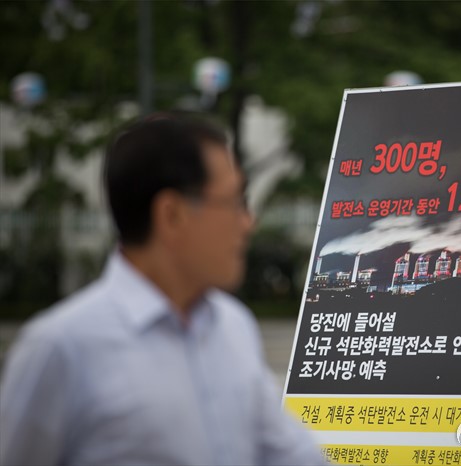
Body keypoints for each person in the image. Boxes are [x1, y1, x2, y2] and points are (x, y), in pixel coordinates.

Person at [0, 114, 326, 466]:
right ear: (172, 214)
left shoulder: (234, 327)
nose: (248, 223)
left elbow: (293, 455)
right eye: (234, 202)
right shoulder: (62, 349)